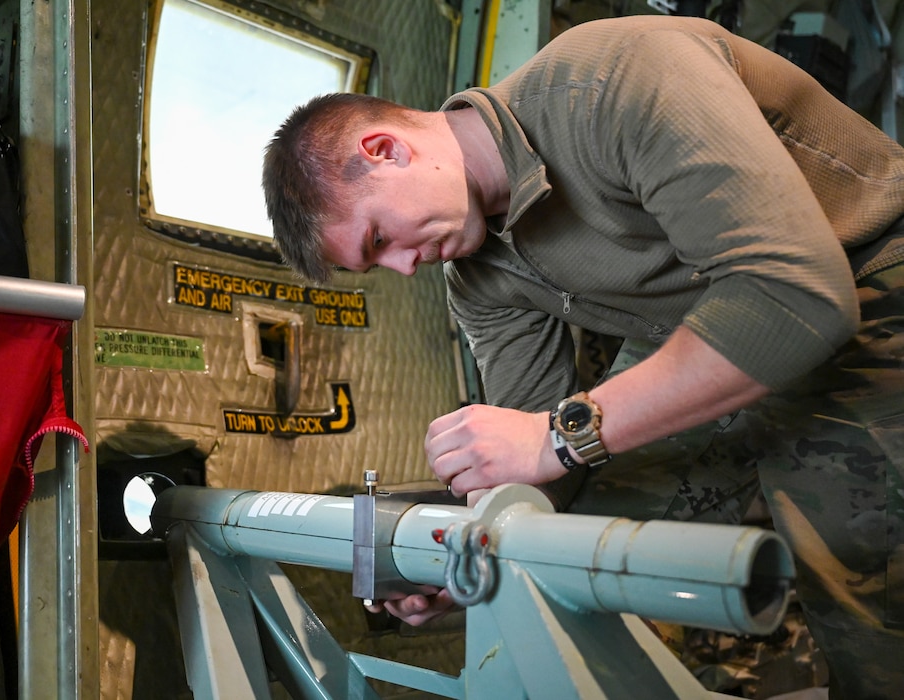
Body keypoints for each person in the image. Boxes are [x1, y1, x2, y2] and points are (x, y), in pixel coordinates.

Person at [262, 14, 904, 699]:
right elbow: (538, 468)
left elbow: (795, 299)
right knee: (575, 544)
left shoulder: (619, 78)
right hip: (704, 326)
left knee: (864, 587)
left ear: (385, 149)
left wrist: (556, 435)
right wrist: (471, 561)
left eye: (380, 238)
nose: (402, 267)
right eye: (377, 264)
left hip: (866, 281)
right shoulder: (477, 278)